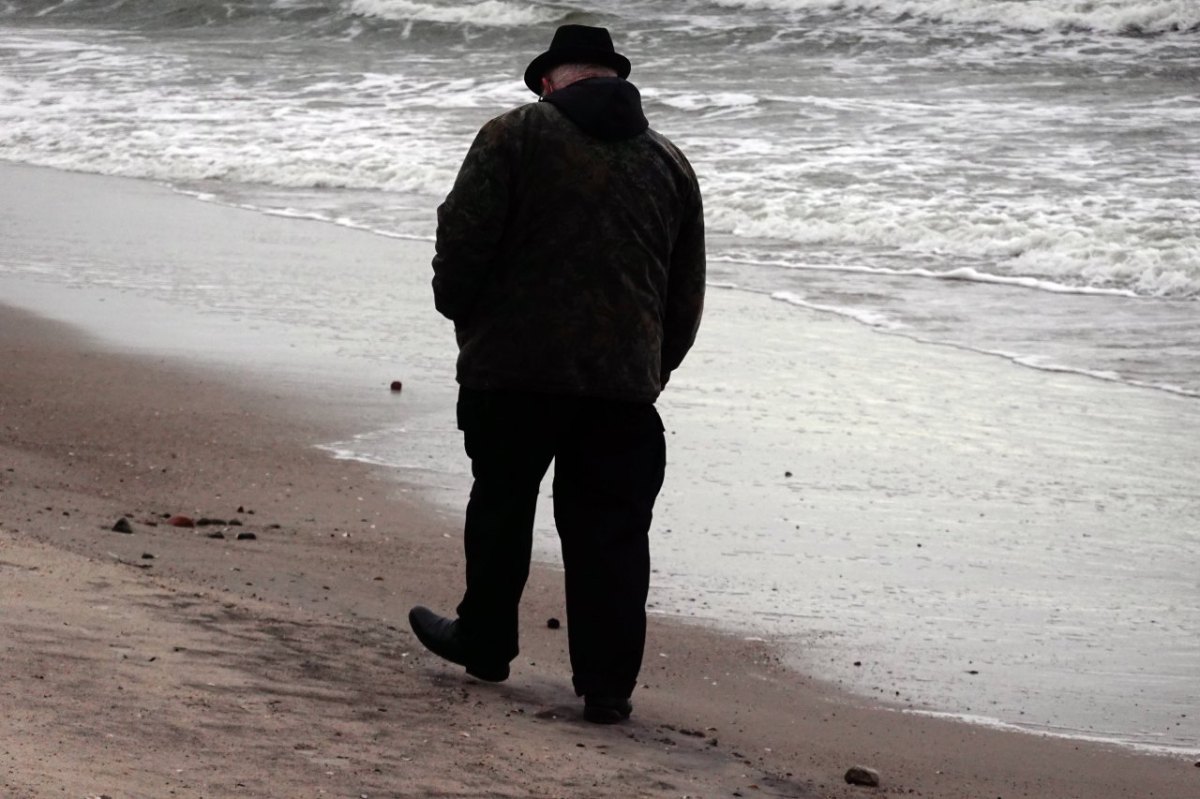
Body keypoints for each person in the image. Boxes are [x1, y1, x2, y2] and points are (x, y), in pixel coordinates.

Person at [408, 23, 705, 725]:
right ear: (614, 80)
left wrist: (466, 320)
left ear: (549, 80)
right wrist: (651, 368)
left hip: (512, 371)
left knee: (502, 504)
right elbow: (685, 292)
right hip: (623, 387)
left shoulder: (512, 136)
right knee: (613, 533)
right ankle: (607, 686)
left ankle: (485, 641)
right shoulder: (669, 161)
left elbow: (463, 245)